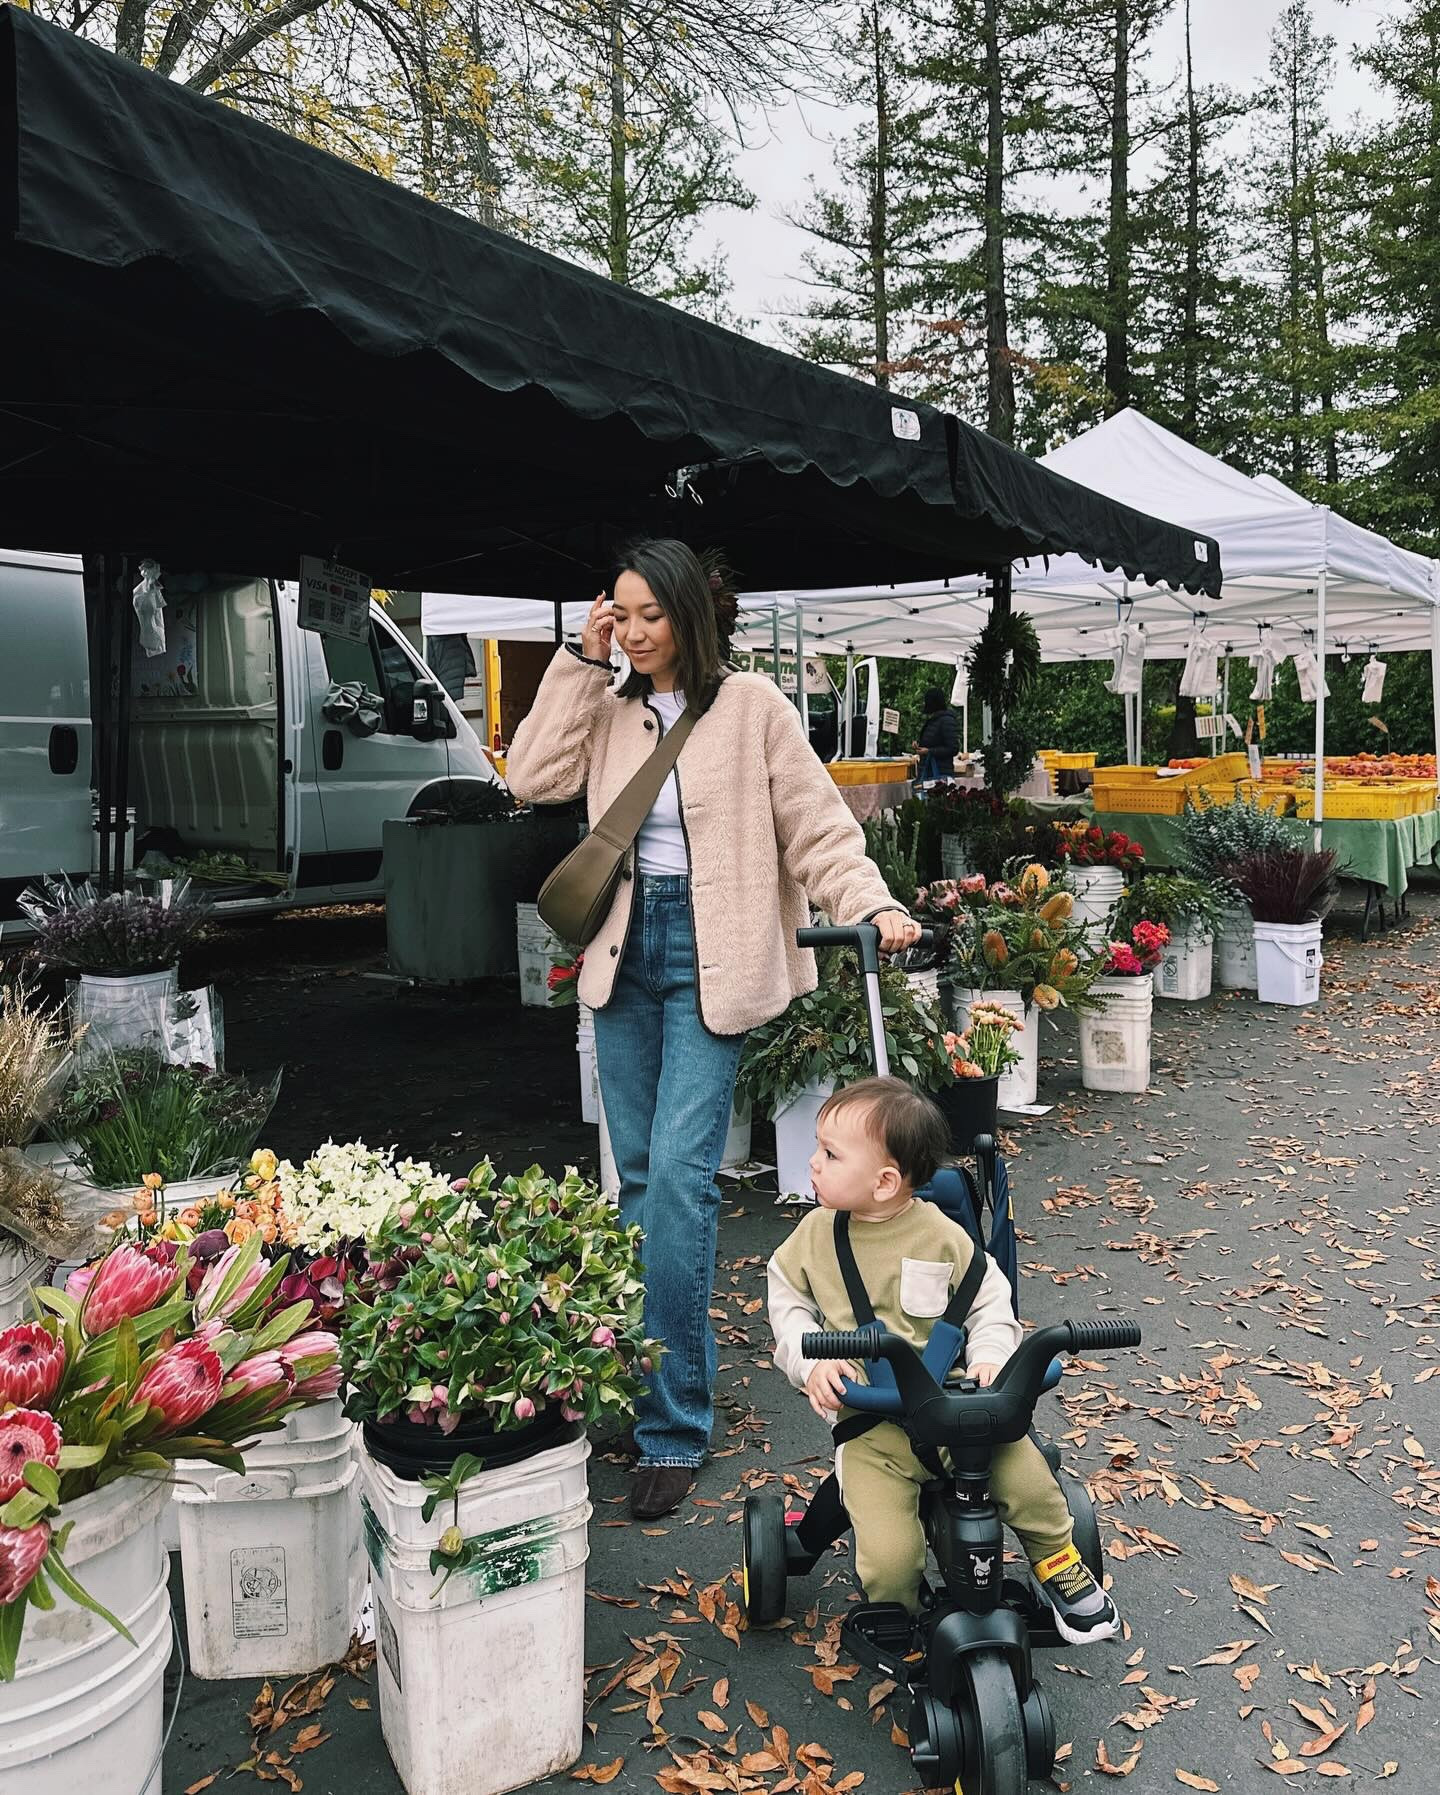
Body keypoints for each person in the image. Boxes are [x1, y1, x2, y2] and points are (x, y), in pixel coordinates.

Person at [504, 540, 921, 1520]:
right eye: (626, 612)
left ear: (692, 614)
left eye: (653, 615)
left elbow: (818, 827)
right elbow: (529, 776)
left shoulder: (754, 709)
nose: (638, 632)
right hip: (622, 952)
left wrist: (873, 903)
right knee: (637, 1178)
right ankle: (636, 1370)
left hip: (712, 957)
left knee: (683, 1182)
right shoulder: (606, 705)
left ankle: (671, 1422)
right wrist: (578, 656)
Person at [765, 1077, 1121, 1643]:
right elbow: (786, 1303)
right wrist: (811, 1363)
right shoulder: (812, 1238)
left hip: (960, 1409)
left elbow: (989, 1302)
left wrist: (992, 1358)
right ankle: (898, 1614)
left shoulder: (943, 1236)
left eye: (829, 1154)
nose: (813, 1163)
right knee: (888, 1555)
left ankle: (1059, 1568)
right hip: (872, 1422)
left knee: (1031, 1483)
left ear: (885, 1181)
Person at [913, 687, 959, 781]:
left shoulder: (946, 721)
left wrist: (929, 751)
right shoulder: (933, 720)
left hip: (940, 773)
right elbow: (931, 741)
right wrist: (918, 745)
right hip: (927, 771)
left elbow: (953, 748)